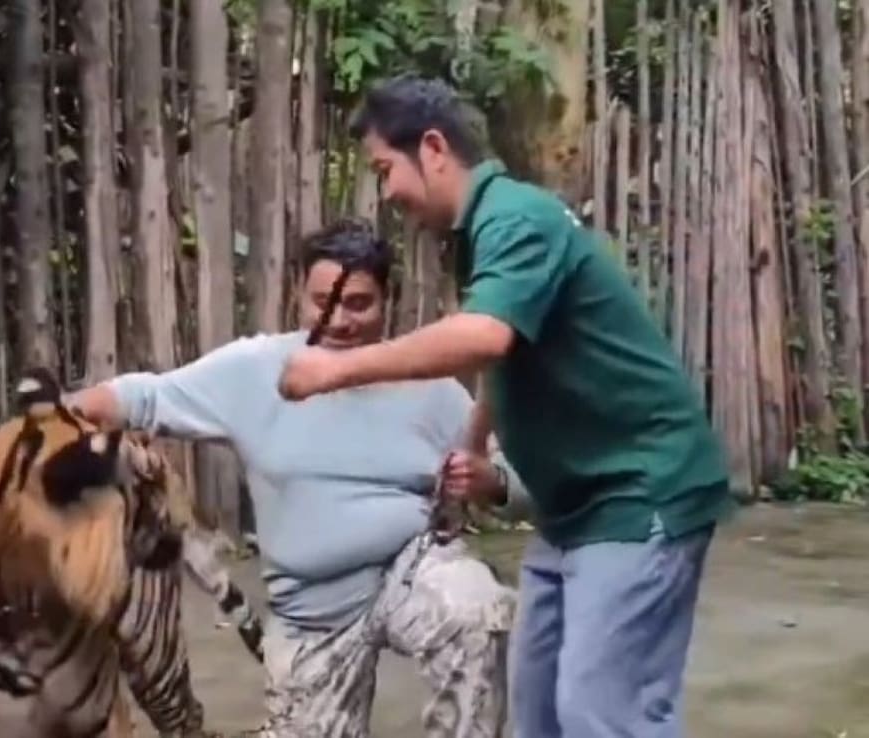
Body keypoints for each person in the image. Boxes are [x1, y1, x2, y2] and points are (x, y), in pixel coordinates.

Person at [277, 74, 735, 737]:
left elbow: (484, 335)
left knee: (604, 715)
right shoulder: (482, 231)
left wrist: (333, 370)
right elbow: (505, 351)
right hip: (574, 506)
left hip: (640, 491)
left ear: (432, 148)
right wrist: (472, 443)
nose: (386, 192)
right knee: (540, 712)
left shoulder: (515, 217)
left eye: (385, 169)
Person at [68, 218, 524, 738]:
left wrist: (492, 482)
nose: (339, 320)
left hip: (410, 569)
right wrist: (52, 419)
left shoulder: (429, 383)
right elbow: (142, 397)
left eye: (358, 303)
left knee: (476, 607)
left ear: (388, 300)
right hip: (311, 613)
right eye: (322, 300)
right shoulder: (255, 369)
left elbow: (515, 481)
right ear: (296, 296)